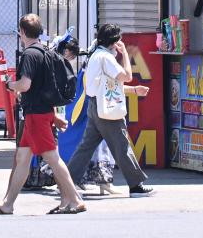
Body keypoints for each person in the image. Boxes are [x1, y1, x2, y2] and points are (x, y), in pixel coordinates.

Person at [0, 14, 86, 216]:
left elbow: (25, 85)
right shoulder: (46, 52)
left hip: (36, 115)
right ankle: (7, 204)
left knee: (53, 159)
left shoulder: (29, 54)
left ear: (21, 32)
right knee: (22, 158)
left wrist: (10, 85)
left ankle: (74, 199)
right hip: (41, 112)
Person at [66, 23, 153, 197]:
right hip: (106, 110)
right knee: (121, 145)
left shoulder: (96, 56)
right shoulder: (106, 58)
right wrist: (126, 54)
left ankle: (67, 182)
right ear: (114, 42)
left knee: (86, 147)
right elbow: (127, 76)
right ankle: (135, 186)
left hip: (95, 106)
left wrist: (134, 90)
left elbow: (108, 87)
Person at [57, 38, 116, 195]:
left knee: (100, 146)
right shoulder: (93, 65)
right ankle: (71, 182)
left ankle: (104, 182)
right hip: (86, 111)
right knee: (85, 146)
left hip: (95, 109)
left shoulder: (94, 63)